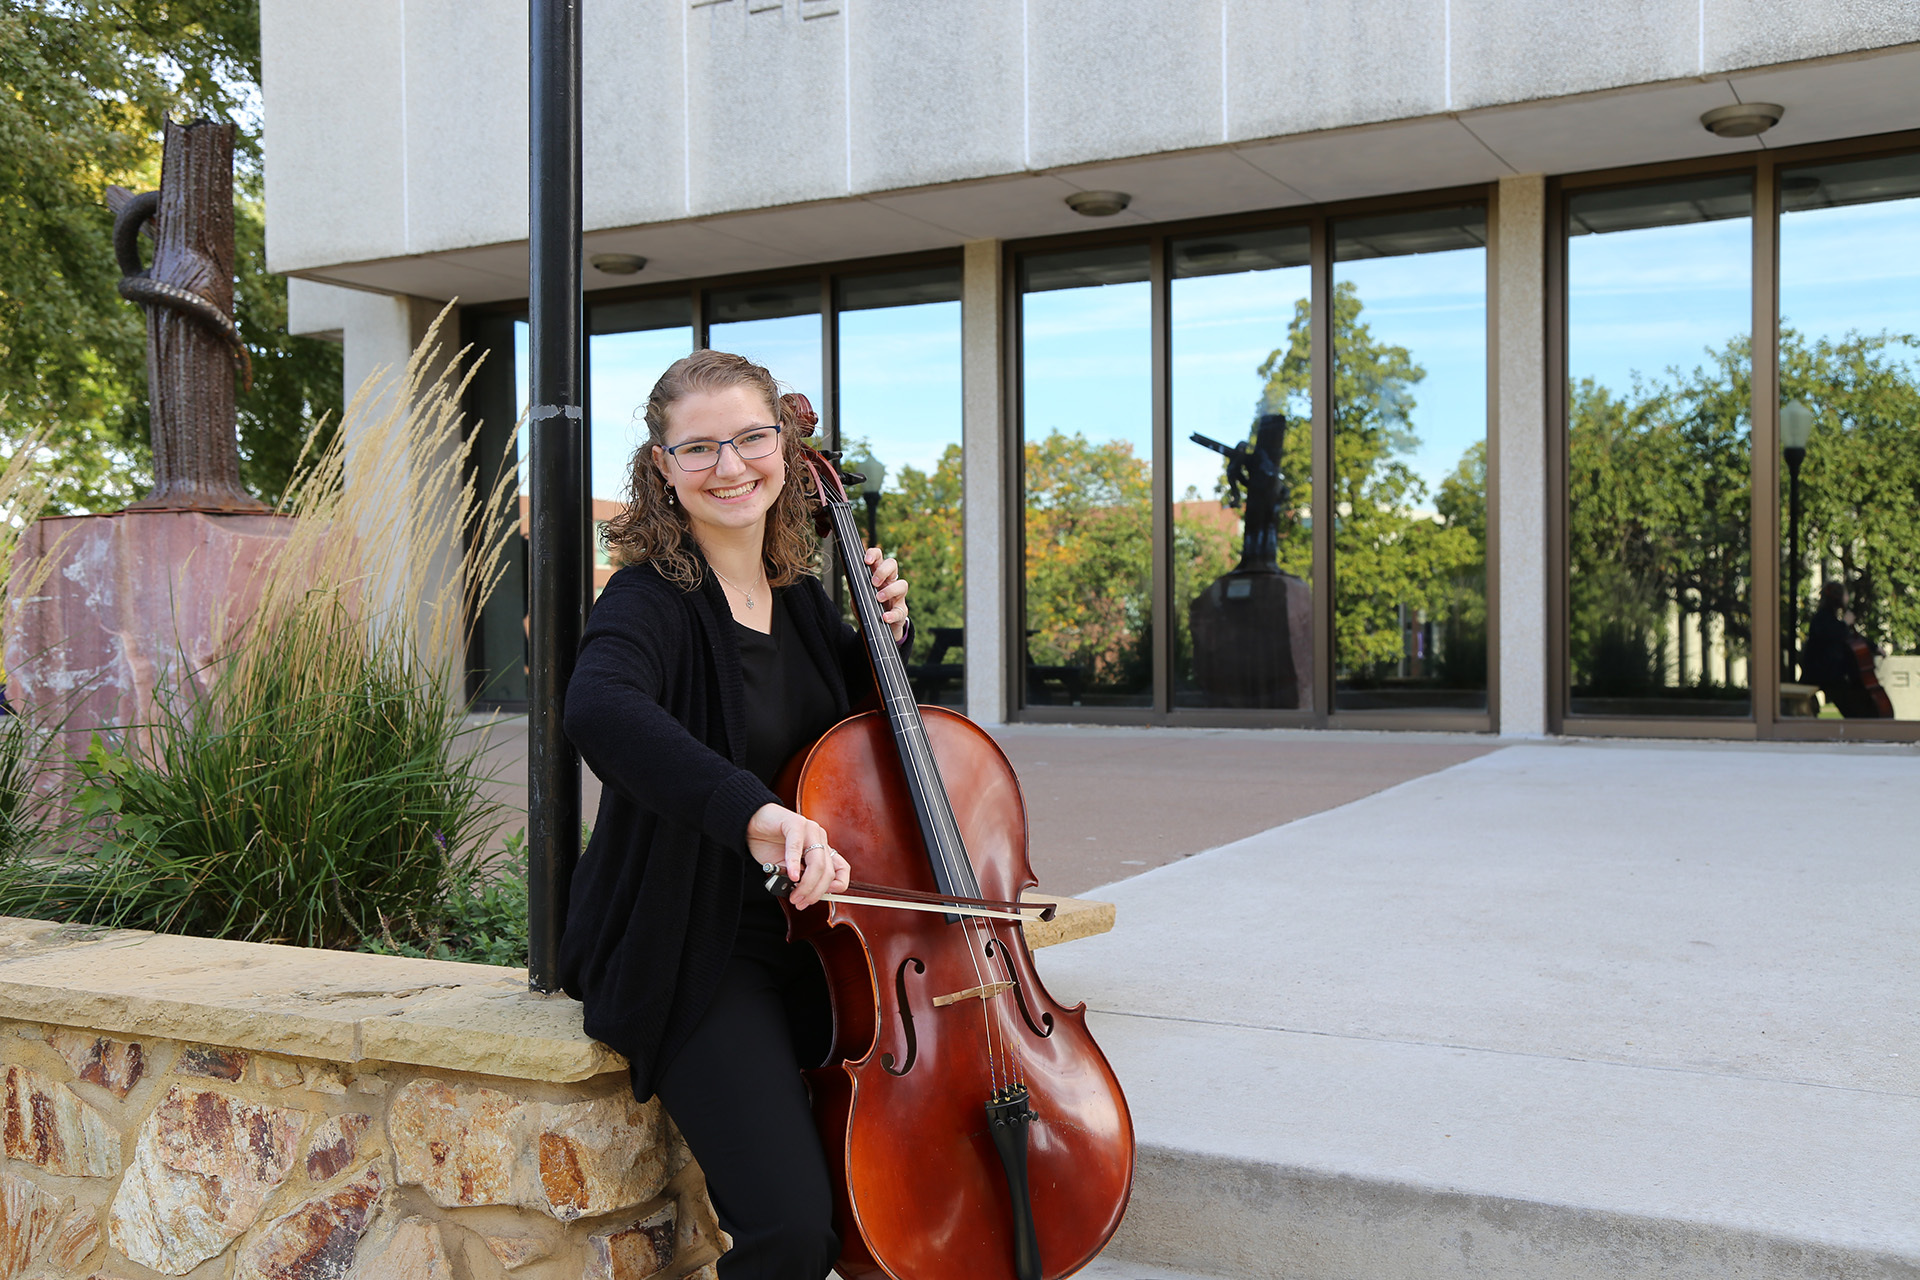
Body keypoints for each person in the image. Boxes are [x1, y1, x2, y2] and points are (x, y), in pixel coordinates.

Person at [559, 349, 909, 1279]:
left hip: (828, 939)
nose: (731, 465)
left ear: (786, 452)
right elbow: (598, 710)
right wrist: (755, 816)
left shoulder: (798, 601)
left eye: (752, 437)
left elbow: (871, 748)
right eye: (700, 447)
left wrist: (886, 642)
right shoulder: (647, 600)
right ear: (664, 469)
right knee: (792, 1231)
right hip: (700, 944)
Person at [1799, 580, 1888, 718]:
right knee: (1852, 704)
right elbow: (1835, 636)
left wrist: (1874, 646)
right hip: (1824, 674)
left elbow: (1852, 639)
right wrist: (1845, 624)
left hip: (1830, 674)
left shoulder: (1831, 619)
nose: (1847, 598)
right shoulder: (1823, 619)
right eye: (1845, 595)